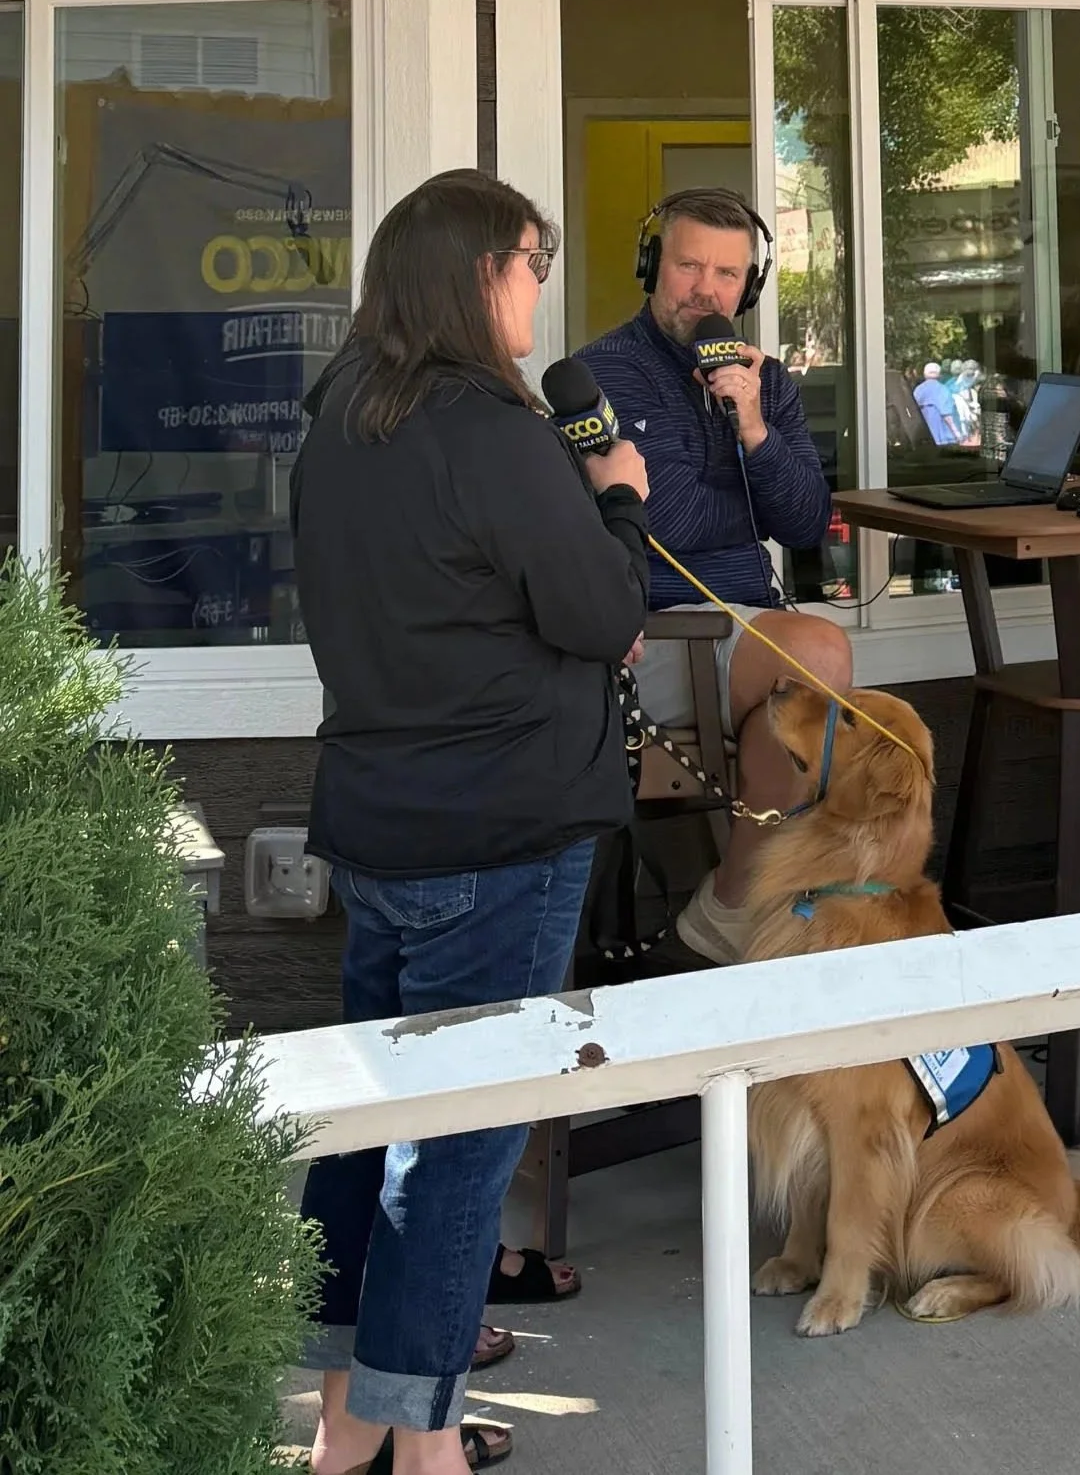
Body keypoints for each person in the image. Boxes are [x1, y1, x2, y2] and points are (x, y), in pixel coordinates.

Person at [293, 169, 651, 1475]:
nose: (538, 287)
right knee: (457, 1146)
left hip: (380, 825)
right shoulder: (494, 432)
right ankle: (427, 1446)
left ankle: (346, 1427)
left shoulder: (337, 418)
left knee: (359, 1131)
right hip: (498, 832)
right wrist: (618, 492)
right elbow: (604, 612)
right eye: (530, 261)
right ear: (475, 272)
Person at [576, 188, 851, 966]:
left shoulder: (766, 387)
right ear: (651, 268)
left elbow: (803, 527)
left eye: (728, 274)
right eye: (689, 265)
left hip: (748, 631)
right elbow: (669, 525)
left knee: (801, 708)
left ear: (749, 289)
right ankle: (736, 915)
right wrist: (756, 496)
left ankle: (736, 914)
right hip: (660, 636)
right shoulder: (604, 375)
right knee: (820, 658)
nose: (708, 289)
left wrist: (756, 429)